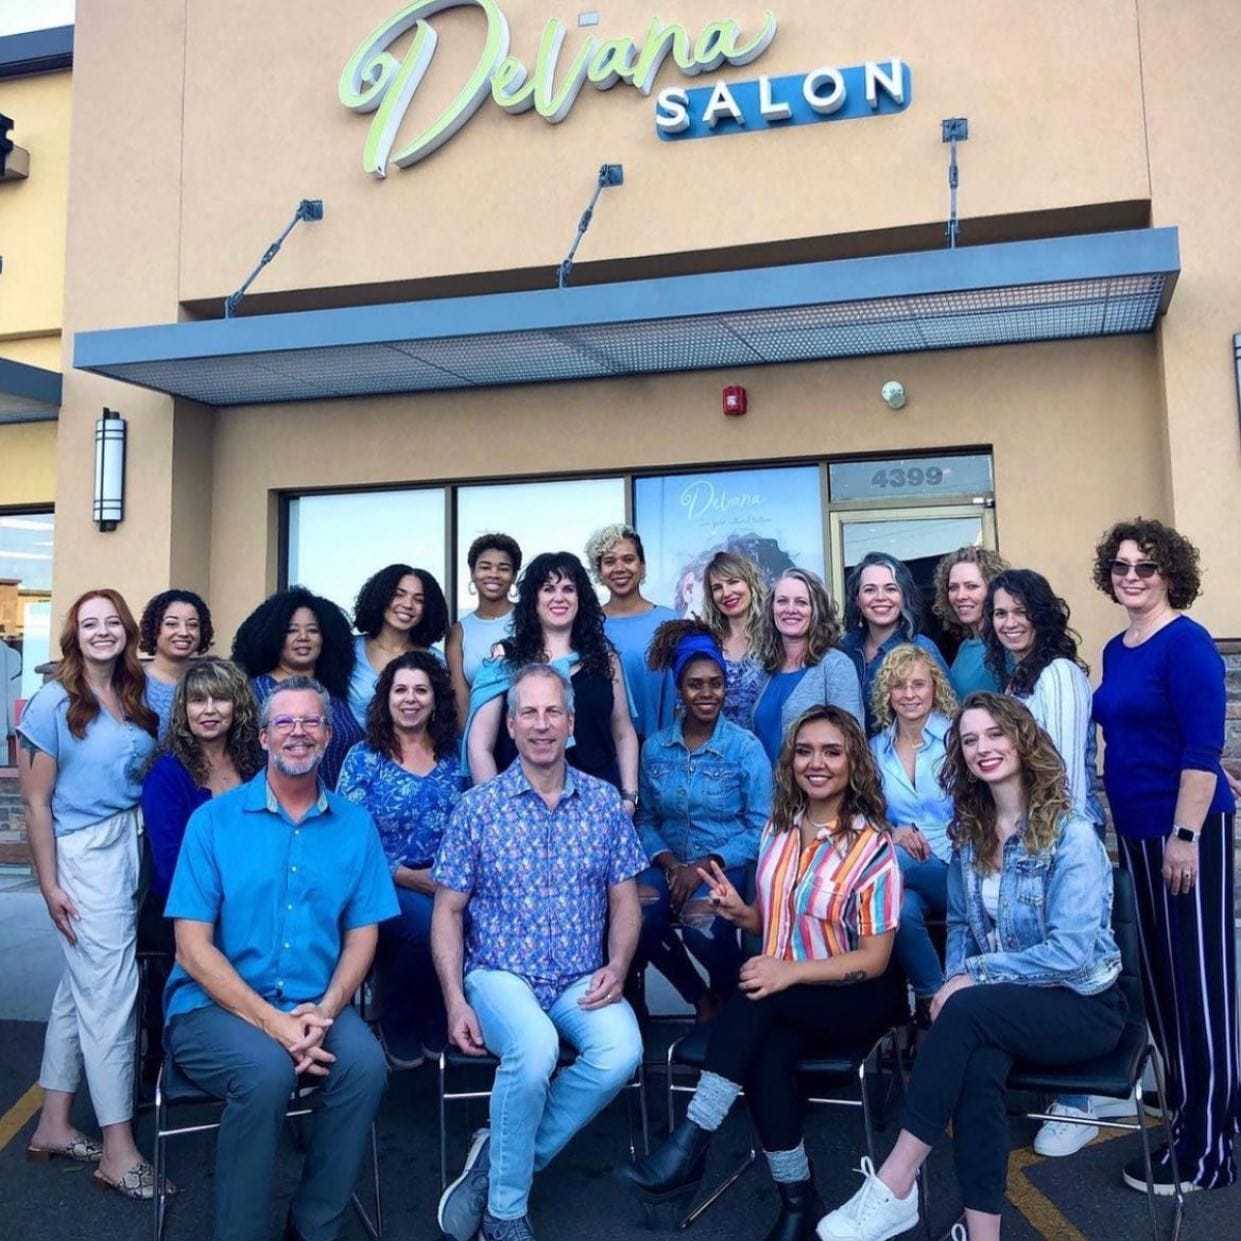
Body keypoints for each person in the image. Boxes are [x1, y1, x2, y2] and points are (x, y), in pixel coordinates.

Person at [818, 694, 1126, 1241]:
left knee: (965, 1013)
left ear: (1022, 739)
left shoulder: (1070, 833)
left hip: (1083, 1007)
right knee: (977, 1064)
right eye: (970, 739)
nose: (984, 748)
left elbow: (1073, 953)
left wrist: (969, 979)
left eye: (996, 735)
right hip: (1005, 1011)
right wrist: (960, 979)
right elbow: (960, 925)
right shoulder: (971, 834)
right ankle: (984, 1236)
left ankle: (894, 1183)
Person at [622, 705, 904, 1241]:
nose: (815, 763)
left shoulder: (873, 847)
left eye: (831, 751)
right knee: (766, 1046)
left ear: (853, 765)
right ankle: (798, 1203)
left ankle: (691, 1142)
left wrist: (789, 972)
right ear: (790, 760)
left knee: (757, 990)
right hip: (787, 992)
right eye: (804, 751)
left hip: (855, 995)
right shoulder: (778, 829)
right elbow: (772, 922)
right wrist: (741, 913)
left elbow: (874, 959)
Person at [163, 676, 398, 1241]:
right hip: (212, 1007)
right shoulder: (213, 823)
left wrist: (325, 1009)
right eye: (285, 723)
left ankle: (316, 1222)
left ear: (327, 736)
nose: (298, 733)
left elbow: (362, 936)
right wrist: (274, 1023)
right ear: (264, 737)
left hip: (315, 1003)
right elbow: (191, 948)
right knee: (265, 1072)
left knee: (366, 1066)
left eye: (311, 722)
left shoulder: (355, 825)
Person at [433, 664, 646, 1241]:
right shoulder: (478, 808)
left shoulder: (604, 804)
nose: (541, 724)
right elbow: (447, 911)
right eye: (528, 711)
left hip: (581, 977)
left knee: (621, 1050)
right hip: (501, 976)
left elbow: (626, 902)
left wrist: (619, 966)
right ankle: (505, 1212)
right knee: (534, 1048)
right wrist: (455, 999)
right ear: (511, 724)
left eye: (553, 711)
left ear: (572, 724)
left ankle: (499, 1161)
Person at [1091, 518, 1238, 1194]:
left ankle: (1207, 1151)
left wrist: (1184, 834)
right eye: (1120, 566)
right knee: (1164, 990)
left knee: (1199, 990)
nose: (1130, 576)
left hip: (1184, 837)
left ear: (1168, 573)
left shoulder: (1188, 644)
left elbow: (1201, 749)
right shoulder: (1118, 649)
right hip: (1138, 836)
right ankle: (1190, 1114)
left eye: (1144, 567)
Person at [19, 590, 160, 1197]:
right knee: (110, 997)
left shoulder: (134, 694)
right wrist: (50, 883)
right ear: (73, 635)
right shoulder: (54, 702)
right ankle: (119, 1149)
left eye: (112, 622)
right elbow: (35, 802)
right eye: (89, 624)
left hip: (129, 847)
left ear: (127, 631)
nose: (102, 632)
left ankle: (52, 1122)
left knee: (79, 994)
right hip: (83, 855)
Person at [983, 568, 1114, 1149]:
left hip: (1060, 837)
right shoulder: (1018, 677)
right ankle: (1063, 1088)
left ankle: (1080, 1099)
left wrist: (1042, 840)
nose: (1009, 623)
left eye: (1019, 612)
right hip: (1027, 836)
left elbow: (1055, 771)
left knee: (1066, 956)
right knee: (1030, 952)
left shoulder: (1058, 673)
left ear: (1042, 612)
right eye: (999, 614)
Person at [634, 621, 772, 1022]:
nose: (706, 693)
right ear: (680, 688)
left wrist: (703, 866)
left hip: (726, 866)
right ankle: (700, 1000)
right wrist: (672, 865)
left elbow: (761, 827)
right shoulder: (656, 748)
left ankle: (731, 1000)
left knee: (701, 926)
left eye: (715, 683)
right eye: (696, 684)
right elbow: (645, 819)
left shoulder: (744, 747)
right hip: (669, 866)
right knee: (635, 916)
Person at [137, 658, 263, 1085]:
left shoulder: (257, 767)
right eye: (197, 700)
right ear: (183, 710)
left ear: (238, 707)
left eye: (219, 698)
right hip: (185, 912)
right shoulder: (167, 773)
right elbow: (171, 866)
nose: (208, 709)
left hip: (256, 903)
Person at [338, 649, 462, 1069]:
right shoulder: (362, 758)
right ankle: (399, 1017)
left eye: (421, 690)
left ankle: (444, 1010)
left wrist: (448, 876)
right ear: (386, 698)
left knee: (459, 916)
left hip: (449, 878)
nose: (410, 699)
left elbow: (472, 826)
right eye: (401, 689)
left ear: (435, 699)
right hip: (380, 880)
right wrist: (406, 875)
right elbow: (349, 836)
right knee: (424, 924)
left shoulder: (455, 756)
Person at [465, 551, 638, 800]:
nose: (559, 598)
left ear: (581, 598)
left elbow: (623, 732)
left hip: (597, 806)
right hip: (521, 808)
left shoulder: (604, 658)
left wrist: (629, 797)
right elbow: (480, 744)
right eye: (548, 589)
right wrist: (497, 809)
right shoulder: (506, 658)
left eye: (568, 589)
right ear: (533, 598)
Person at [868, 644, 956, 1024]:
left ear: (935, 687)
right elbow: (868, 815)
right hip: (907, 870)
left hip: (957, 866)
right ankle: (935, 1004)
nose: (909, 695)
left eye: (918, 685)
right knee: (898, 910)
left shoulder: (957, 738)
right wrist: (894, 830)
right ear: (886, 693)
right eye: (899, 686)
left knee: (885, 867)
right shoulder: (876, 750)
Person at [231, 586, 363, 789]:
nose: (303, 637)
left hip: (337, 813)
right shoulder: (251, 693)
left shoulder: (334, 693)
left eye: (313, 630)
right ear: (273, 637)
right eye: (292, 630)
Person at [751, 568, 863, 760]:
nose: (790, 609)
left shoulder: (836, 666)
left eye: (801, 602)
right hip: (767, 789)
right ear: (772, 608)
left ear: (816, 610)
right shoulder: (765, 668)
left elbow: (851, 742)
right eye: (782, 601)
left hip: (815, 787)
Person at [585, 523, 678, 741]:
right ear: (599, 571)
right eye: (609, 561)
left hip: (661, 749)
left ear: (643, 566)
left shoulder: (670, 621)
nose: (619, 568)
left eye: (628, 559)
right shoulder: (587, 625)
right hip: (604, 752)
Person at [839, 552, 948, 735]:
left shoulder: (921, 649)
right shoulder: (844, 649)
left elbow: (948, 713)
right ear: (857, 600)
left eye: (890, 589)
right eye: (870, 590)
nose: (880, 597)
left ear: (904, 596)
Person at [348, 564, 449, 726]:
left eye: (419, 600)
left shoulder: (436, 660)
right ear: (380, 597)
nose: (408, 604)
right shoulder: (348, 651)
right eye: (398, 595)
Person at [446, 533, 522, 724]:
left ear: (513, 576)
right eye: (485, 567)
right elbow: (461, 704)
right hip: (480, 734)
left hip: (531, 731)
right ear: (472, 572)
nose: (494, 574)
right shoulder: (458, 632)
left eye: (503, 568)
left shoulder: (530, 619)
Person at [700, 549, 767, 726]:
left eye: (733, 582)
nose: (726, 593)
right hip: (717, 748)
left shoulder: (774, 637)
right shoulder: (707, 643)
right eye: (717, 588)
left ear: (750, 584)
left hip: (768, 748)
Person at [931, 547, 1008, 698]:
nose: (960, 596)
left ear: (993, 590)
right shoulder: (966, 646)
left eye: (971, 586)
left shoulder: (1007, 645)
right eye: (953, 588)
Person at [138, 588, 214, 737]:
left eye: (192, 625)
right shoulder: (134, 682)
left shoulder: (211, 679)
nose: (184, 632)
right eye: (172, 624)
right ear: (154, 628)